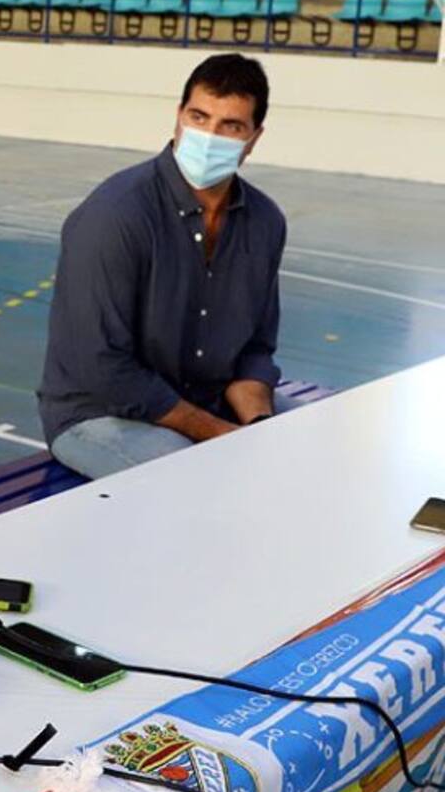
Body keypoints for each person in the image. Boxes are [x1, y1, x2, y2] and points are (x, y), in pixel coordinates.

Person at [38, 53, 288, 480]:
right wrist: (221, 435)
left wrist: (258, 426)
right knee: (205, 478)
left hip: (205, 403)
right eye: (199, 116)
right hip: (98, 415)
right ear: (177, 117)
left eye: (231, 126)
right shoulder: (115, 216)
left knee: (317, 444)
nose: (210, 135)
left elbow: (254, 351)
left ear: (254, 138)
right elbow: (104, 370)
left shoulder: (265, 222)